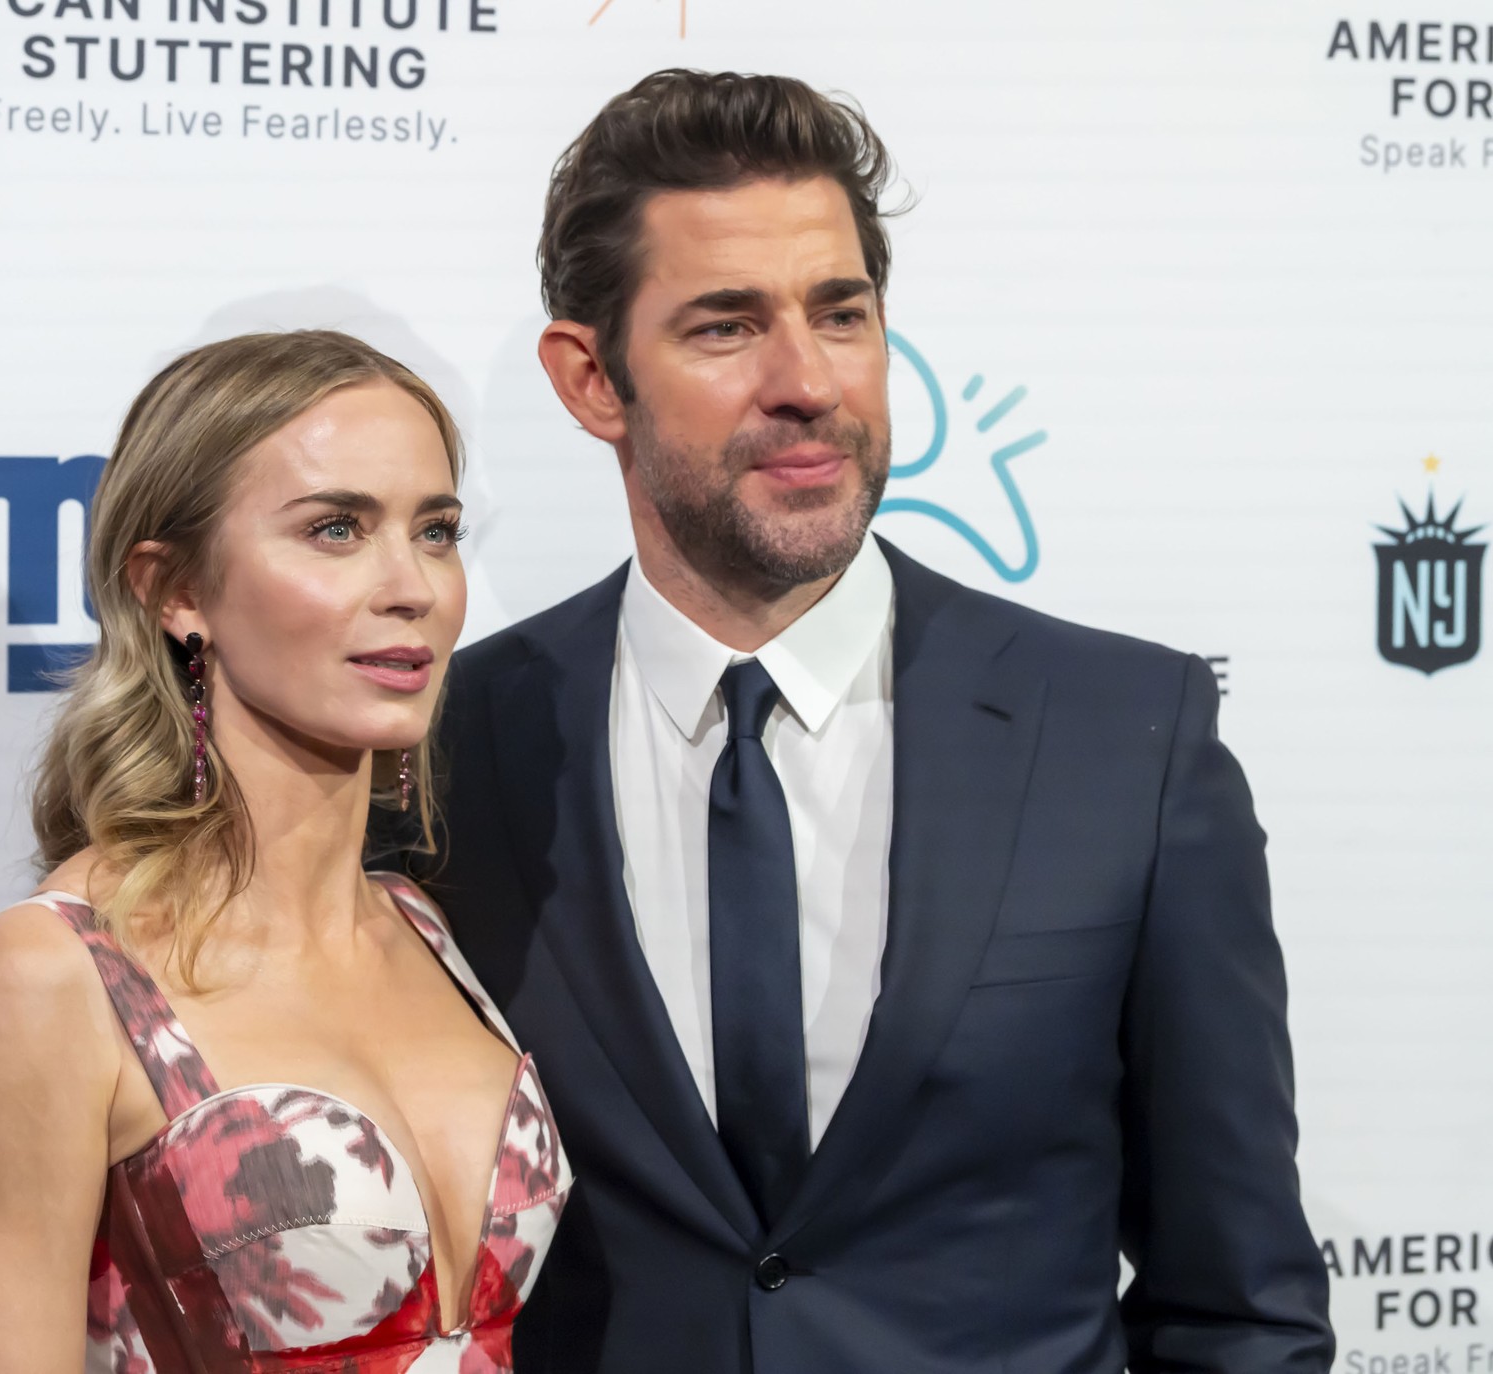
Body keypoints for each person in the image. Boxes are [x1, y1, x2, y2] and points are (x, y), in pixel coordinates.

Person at [418, 70, 1334, 1372]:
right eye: (727, 327)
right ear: (591, 379)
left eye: (840, 312)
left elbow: (1239, 1304)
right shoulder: (444, 753)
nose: (808, 382)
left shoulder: (1126, 739)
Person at [0, 331, 571, 1373]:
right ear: (175, 590)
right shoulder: (54, 976)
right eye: (336, 528)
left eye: (435, 531)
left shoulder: (425, 930)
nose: (414, 587)